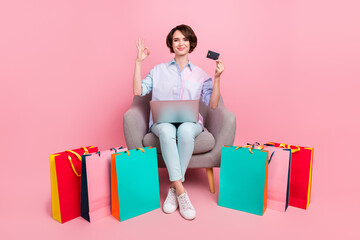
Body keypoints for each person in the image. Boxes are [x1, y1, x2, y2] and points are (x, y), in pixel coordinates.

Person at [132, 24, 225, 220]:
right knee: (166, 132)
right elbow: (138, 91)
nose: (180, 43)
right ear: (171, 44)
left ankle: (173, 188)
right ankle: (181, 192)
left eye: (184, 39)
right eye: (176, 39)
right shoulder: (158, 70)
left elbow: (214, 104)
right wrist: (138, 63)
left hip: (190, 122)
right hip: (162, 122)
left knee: (185, 131)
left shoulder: (200, 74)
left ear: (191, 43)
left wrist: (217, 78)